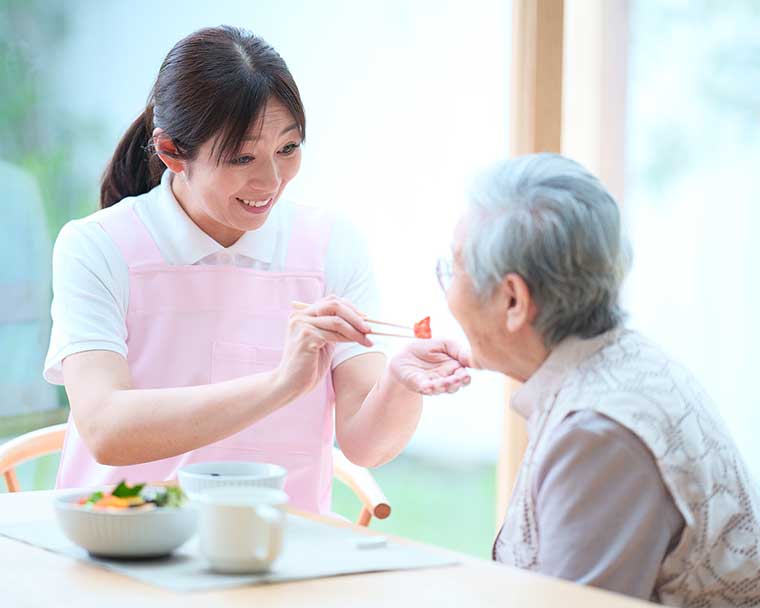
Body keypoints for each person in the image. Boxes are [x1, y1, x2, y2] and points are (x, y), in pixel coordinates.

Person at [44, 26, 472, 514]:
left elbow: (366, 445)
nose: (270, 181)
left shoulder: (329, 245)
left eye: (288, 149)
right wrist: (279, 384)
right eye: (242, 157)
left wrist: (398, 381)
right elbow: (106, 429)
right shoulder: (97, 247)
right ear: (171, 153)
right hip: (126, 545)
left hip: (279, 553)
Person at [440, 153, 760, 605]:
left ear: (514, 300)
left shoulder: (597, 435)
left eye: (453, 268)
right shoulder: (625, 358)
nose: (447, 287)